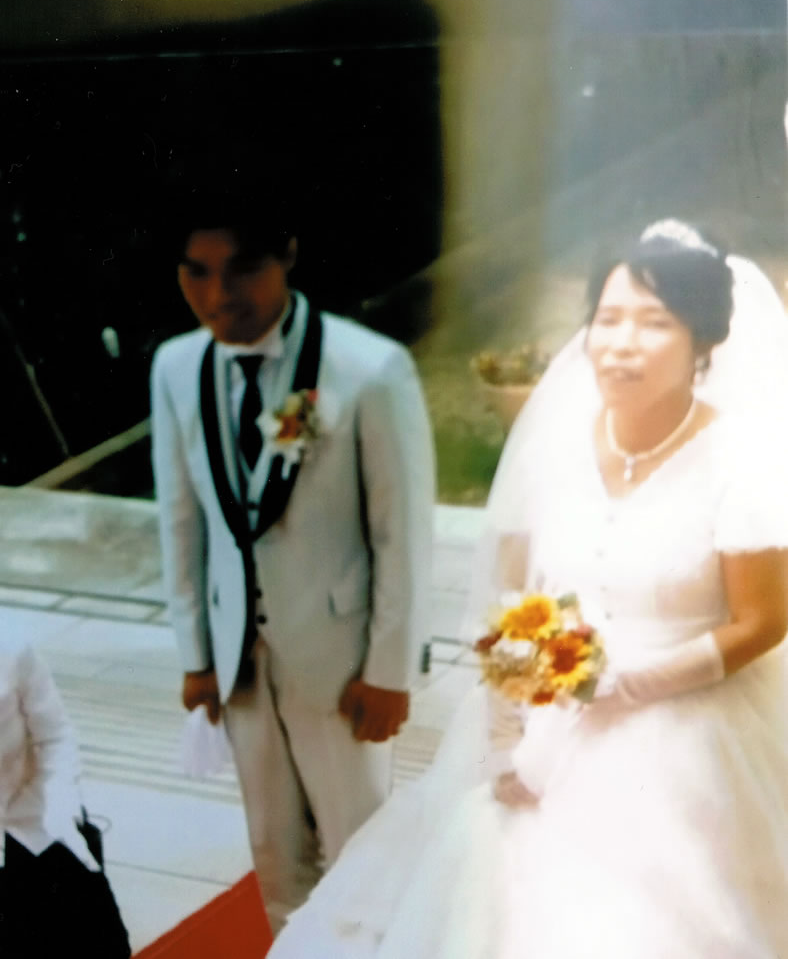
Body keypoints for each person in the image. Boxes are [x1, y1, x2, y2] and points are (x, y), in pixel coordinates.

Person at [268, 218, 788, 957]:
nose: (622, 343)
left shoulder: (738, 455)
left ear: (703, 340)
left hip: (693, 722)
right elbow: (509, 602)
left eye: (654, 323)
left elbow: (763, 621)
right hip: (550, 722)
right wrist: (504, 735)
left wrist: (632, 684)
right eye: (609, 318)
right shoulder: (561, 442)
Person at [150, 197, 435, 932]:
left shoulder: (369, 369)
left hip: (341, 661)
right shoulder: (176, 367)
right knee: (274, 854)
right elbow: (181, 521)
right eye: (197, 273)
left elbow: (401, 535)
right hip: (240, 661)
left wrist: (390, 671)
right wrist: (196, 656)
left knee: (361, 853)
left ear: (287, 257)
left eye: (242, 270)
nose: (219, 296)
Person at [0, 638, 131, 958]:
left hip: (29, 815)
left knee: (102, 939)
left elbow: (55, 735)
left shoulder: (12, 646)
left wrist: (60, 807)